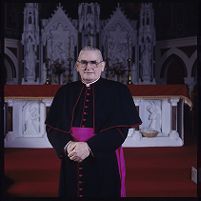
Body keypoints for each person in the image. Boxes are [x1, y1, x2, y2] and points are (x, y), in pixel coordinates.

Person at [45, 46, 142, 198]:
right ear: (77, 66)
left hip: (104, 155)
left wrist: (89, 147)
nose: (88, 67)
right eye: (83, 62)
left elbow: (119, 131)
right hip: (72, 155)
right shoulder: (64, 92)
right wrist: (68, 145)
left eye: (93, 62)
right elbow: (52, 128)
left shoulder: (118, 91)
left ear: (102, 66)